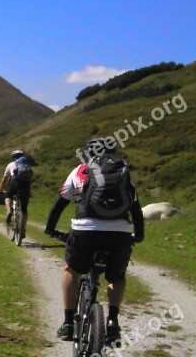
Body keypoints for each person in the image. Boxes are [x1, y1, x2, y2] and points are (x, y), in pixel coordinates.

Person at [44, 137, 144, 345]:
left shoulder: (80, 170)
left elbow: (60, 203)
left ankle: (68, 323)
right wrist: (139, 234)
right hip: (120, 233)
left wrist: (50, 228)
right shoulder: (122, 172)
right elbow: (135, 208)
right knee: (116, 277)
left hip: (85, 231)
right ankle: (112, 321)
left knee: (72, 270)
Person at [0, 150, 24, 225]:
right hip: (25, 184)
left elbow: (4, 179)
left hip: (14, 181)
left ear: (13, 157)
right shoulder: (26, 165)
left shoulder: (11, 165)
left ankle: (9, 210)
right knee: (24, 206)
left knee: (8, 196)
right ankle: (23, 228)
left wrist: (0, 190)